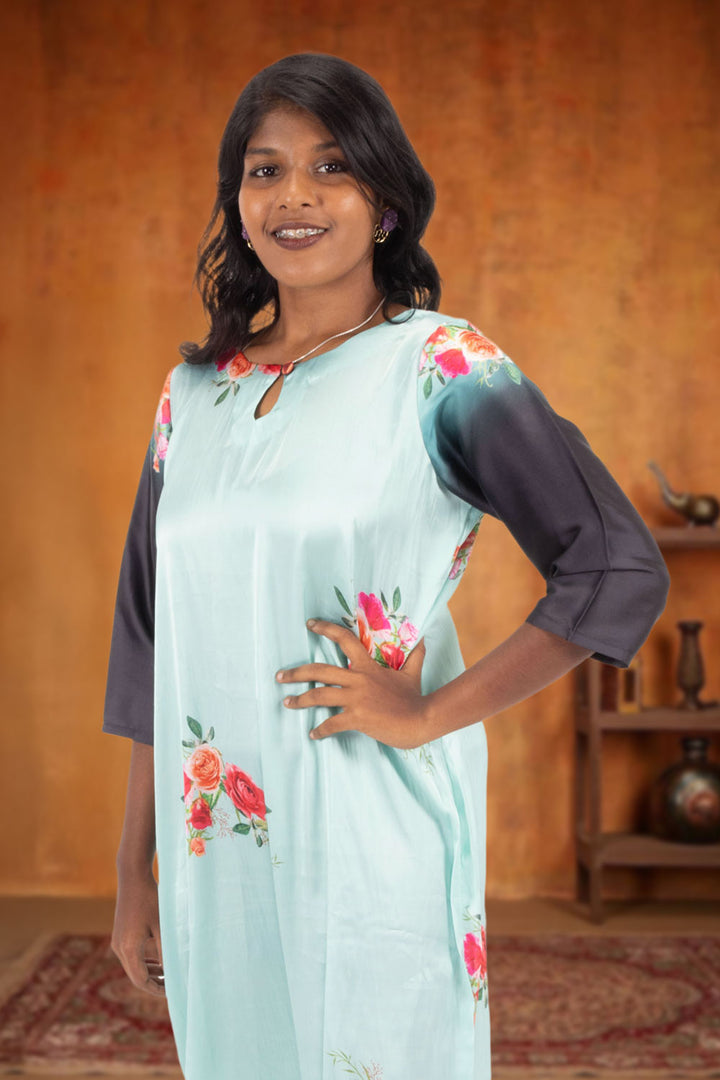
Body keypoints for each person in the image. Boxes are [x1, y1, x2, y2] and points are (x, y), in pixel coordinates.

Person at [103, 51, 670, 1080]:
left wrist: (428, 712)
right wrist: (132, 871)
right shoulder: (191, 396)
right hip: (214, 854)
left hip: (370, 832)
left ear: (386, 202)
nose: (295, 195)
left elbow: (613, 566)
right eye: (265, 170)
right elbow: (151, 635)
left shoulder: (442, 368)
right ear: (238, 204)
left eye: (331, 167)